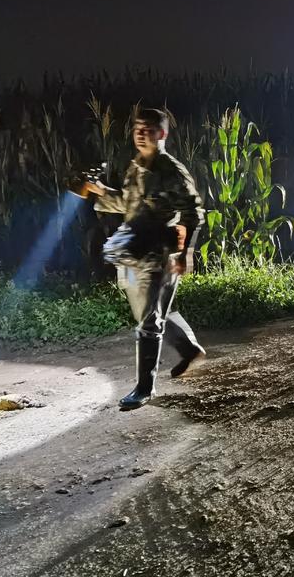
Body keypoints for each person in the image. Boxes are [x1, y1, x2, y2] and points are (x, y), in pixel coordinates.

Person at [85, 107, 207, 410]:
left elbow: (194, 212)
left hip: (160, 253)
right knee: (151, 312)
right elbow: (128, 204)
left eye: (148, 129)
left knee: (149, 319)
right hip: (133, 251)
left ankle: (143, 388)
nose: (140, 134)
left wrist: (186, 253)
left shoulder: (171, 171)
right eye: (137, 128)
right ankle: (189, 349)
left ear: (162, 133)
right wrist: (97, 191)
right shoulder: (136, 166)